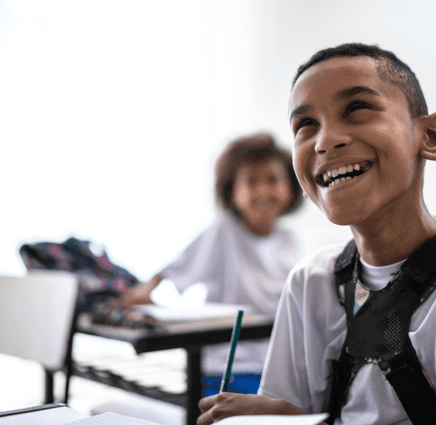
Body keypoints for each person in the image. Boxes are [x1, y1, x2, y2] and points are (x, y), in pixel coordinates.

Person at [196, 43, 436, 425]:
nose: (325, 141)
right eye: (306, 125)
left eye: (357, 109)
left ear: (432, 137)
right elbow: (299, 412)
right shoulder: (311, 282)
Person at [120, 133, 304, 396]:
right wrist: (145, 290)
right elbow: (175, 269)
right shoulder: (224, 231)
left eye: (273, 179)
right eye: (251, 180)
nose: (263, 190)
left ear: (291, 188)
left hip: (276, 367)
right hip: (227, 370)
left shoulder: (290, 241)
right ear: (232, 191)